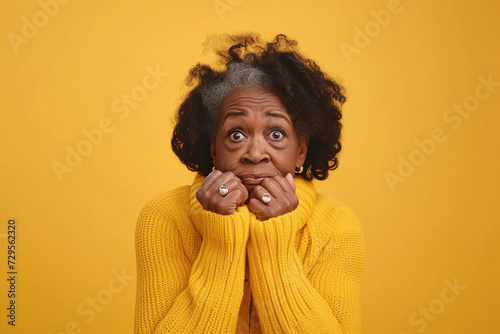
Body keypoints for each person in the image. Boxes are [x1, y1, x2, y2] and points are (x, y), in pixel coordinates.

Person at [134, 34, 365, 334]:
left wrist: (274, 239)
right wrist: (221, 236)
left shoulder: (336, 226)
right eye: (236, 135)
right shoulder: (164, 218)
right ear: (214, 149)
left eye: (277, 134)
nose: (255, 154)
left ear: (302, 151)